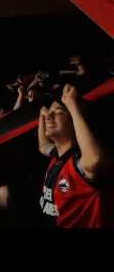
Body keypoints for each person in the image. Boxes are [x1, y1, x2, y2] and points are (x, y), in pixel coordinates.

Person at [38, 84, 114, 228]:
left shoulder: (78, 162)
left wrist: (72, 105)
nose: (49, 115)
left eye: (59, 112)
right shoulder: (57, 156)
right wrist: (42, 115)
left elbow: (94, 160)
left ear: (73, 122)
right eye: (50, 112)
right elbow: (42, 146)